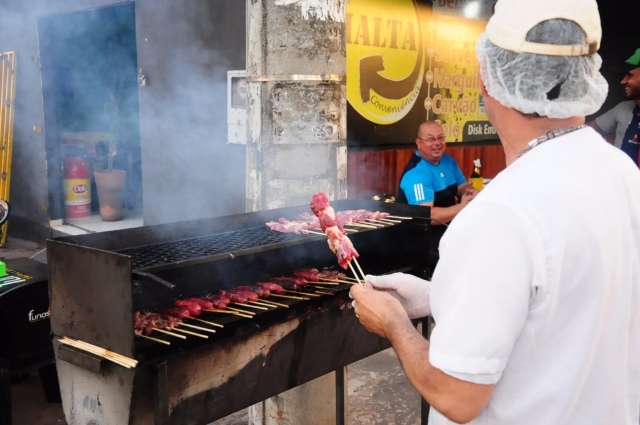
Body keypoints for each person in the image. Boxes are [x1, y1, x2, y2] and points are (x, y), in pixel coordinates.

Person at [350, 1, 640, 424]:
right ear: (586, 77)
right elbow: (570, 298)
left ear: (487, 78)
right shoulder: (622, 174)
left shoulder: (501, 213)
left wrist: (394, 323)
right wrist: (437, 296)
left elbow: (456, 395)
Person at [397, 121, 476, 226]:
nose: (437, 143)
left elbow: (462, 186)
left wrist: (471, 193)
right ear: (419, 143)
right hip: (422, 238)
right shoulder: (415, 174)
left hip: (449, 231)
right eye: (431, 139)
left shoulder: (448, 161)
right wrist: (463, 206)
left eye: (440, 138)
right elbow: (428, 216)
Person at [589, 48, 640, 165]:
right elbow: (587, 131)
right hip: (622, 180)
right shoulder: (623, 108)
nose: (623, 82)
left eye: (629, 75)